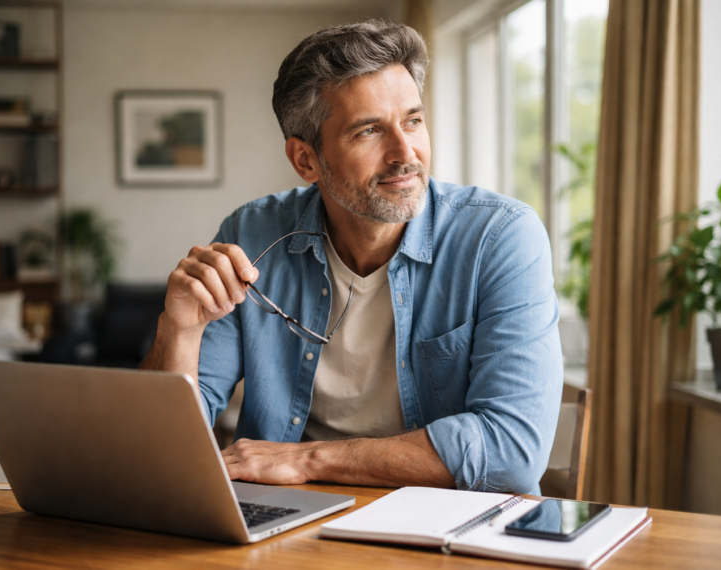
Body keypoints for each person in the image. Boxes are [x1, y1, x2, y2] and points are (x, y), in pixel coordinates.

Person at [140, 20, 562, 494]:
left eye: (413, 120)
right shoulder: (251, 235)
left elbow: (511, 453)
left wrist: (308, 460)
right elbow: (157, 451)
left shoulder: (500, 237)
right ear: (306, 161)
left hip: (448, 527)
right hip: (291, 526)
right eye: (368, 131)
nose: (406, 153)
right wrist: (178, 330)